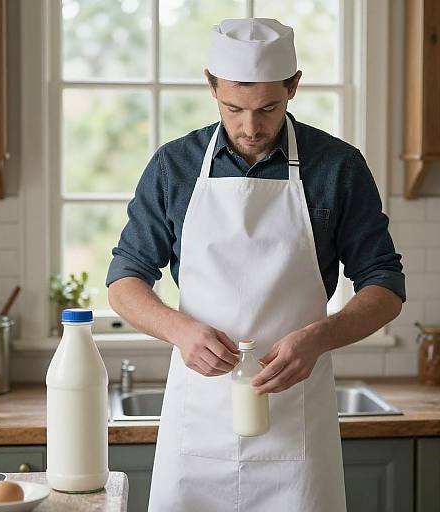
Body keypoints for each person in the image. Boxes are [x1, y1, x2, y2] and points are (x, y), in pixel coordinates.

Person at [106, 17, 405, 512]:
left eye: (268, 107)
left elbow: (385, 285)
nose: (250, 127)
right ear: (211, 85)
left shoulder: (336, 167)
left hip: (296, 426)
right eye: (233, 108)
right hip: (198, 421)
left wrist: (319, 337)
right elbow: (124, 280)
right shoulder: (173, 167)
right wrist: (179, 330)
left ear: (293, 86)